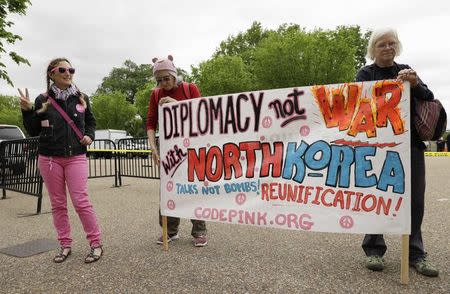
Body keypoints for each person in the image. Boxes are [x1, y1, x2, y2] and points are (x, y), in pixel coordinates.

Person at [355, 28, 438, 277]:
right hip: (376, 148)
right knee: (376, 197)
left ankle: (416, 254)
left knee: (414, 201)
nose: (388, 47)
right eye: (382, 44)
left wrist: (414, 83)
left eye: (392, 43)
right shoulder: (365, 73)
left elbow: (429, 97)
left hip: (409, 145)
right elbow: (355, 102)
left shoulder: (406, 71)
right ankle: (374, 249)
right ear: (373, 50)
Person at [18, 58, 103, 263]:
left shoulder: (82, 98)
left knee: (81, 202)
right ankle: (65, 245)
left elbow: (90, 122)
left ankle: (96, 243)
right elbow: (33, 130)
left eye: (71, 69)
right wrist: (28, 110)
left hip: (76, 156)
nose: (68, 73)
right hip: (49, 158)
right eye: (62, 69)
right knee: (58, 204)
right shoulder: (42, 99)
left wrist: (90, 135)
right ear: (52, 74)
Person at [146, 55, 208, 247]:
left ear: (174, 75)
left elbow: (202, 112)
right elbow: (150, 122)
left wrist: (176, 104)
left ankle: (199, 230)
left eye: (166, 78)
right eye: (159, 80)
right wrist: (153, 147)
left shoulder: (190, 88)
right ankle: (170, 231)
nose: (163, 83)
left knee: (193, 186)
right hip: (168, 148)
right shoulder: (155, 94)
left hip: (191, 147)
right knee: (168, 188)